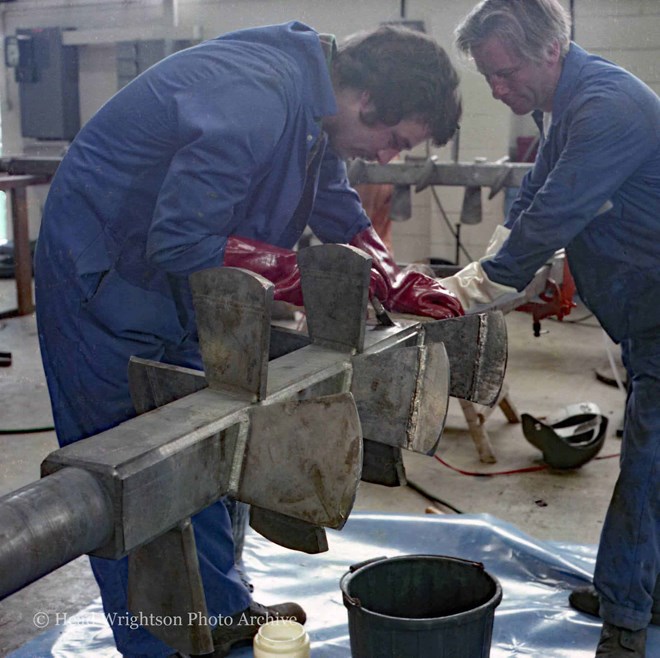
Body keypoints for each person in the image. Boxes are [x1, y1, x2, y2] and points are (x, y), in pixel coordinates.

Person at [34, 21, 462, 657]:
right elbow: (180, 239)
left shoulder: (311, 103)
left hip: (172, 284)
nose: (390, 156)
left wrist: (388, 270)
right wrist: (305, 279)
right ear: (367, 100)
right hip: (103, 281)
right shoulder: (256, 94)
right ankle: (164, 646)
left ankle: (221, 611)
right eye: (393, 140)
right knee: (137, 475)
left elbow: (331, 195)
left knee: (213, 441)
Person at [446, 1, 660, 656]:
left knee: (650, 460)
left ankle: (626, 619)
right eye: (488, 78)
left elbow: (553, 216)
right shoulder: (570, 106)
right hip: (644, 313)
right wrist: (481, 270)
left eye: (503, 74)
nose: (496, 90)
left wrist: (480, 286)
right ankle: (638, 588)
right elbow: (535, 193)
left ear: (548, 51)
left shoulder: (607, 107)